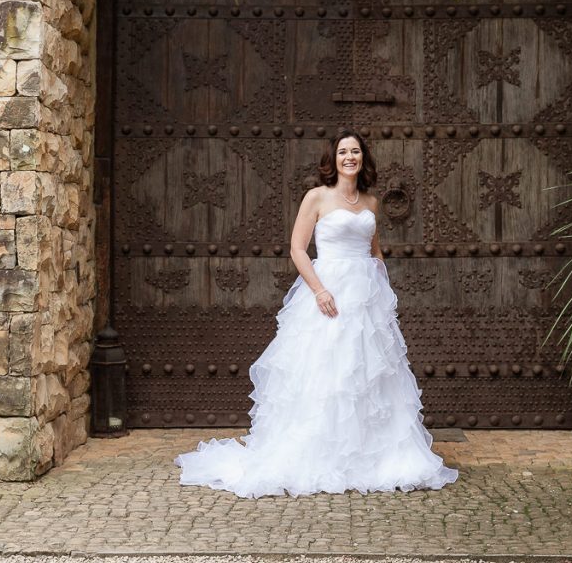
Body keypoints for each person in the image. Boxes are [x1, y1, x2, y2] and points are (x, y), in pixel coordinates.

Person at [174, 129, 459, 497]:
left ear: (363, 159)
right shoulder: (317, 197)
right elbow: (297, 248)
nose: (349, 157)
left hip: (366, 296)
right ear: (334, 159)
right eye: (343, 152)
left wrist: (384, 293)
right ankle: (325, 454)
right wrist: (319, 290)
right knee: (328, 369)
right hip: (329, 291)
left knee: (369, 372)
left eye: (355, 152)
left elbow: (374, 252)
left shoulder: (371, 203)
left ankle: (370, 456)